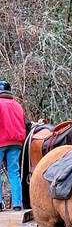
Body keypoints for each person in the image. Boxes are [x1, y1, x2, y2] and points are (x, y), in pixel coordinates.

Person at [0, 80, 26, 211]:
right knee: (14, 173)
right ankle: (17, 204)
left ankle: (0, 203)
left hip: (1, 142)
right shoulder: (18, 105)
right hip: (16, 143)